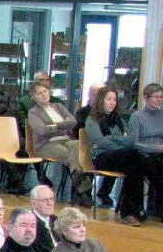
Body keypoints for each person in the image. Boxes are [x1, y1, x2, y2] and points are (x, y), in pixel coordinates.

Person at [86, 86, 147, 226]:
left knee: (136, 166)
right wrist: (121, 141)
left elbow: (131, 139)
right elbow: (100, 141)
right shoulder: (92, 119)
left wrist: (114, 139)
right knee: (136, 159)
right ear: (101, 100)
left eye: (114, 99)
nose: (112, 102)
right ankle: (133, 210)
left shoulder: (118, 119)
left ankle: (131, 212)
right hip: (101, 158)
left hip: (123, 157)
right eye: (109, 99)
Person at [28, 84, 90, 206]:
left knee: (77, 144)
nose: (43, 94)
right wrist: (61, 125)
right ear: (33, 97)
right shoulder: (33, 112)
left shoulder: (58, 106)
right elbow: (41, 131)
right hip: (46, 144)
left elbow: (73, 121)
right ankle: (83, 190)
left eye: (45, 91)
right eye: (39, 93)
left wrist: (54, 126)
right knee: (72, 156)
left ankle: (79, 181)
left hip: (65, 139)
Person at [128, 82, 163, 219]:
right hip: (144, 154)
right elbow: (134, 143)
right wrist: (157, 148)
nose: (159, 100)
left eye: (161, 97)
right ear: (146, 98)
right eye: (156, 97)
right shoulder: (137, 117)